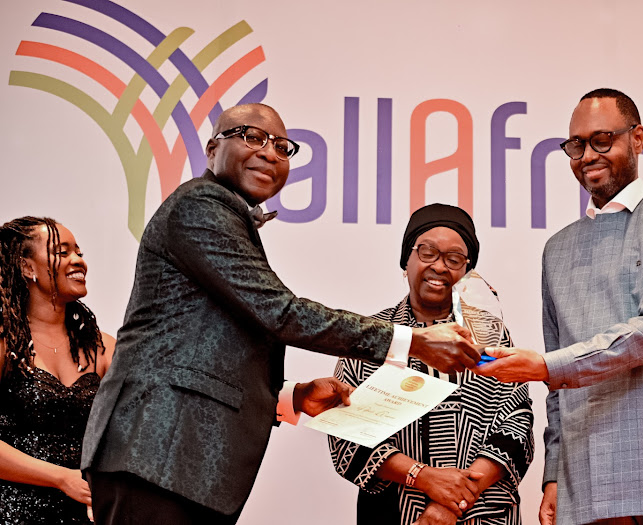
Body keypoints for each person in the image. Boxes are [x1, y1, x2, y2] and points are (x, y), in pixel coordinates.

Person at [81, 103, 482, 524]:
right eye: (252, 137)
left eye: (282, 147)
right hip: (159, 454)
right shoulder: (200, 205)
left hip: (179, 464)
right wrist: (411, 340)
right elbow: (280, 312)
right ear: (212, 148)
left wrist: (294, 397)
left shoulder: (226, 217)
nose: (271, 153)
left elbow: (214, 347)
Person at [475, 89, 643, 524]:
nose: (587, 155)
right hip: (588, 483)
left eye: (601, 139)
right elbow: (556, 387)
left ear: (638, 138)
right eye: (576, 145)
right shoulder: (556, 250)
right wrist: (553, 474)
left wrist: (544, 366)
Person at [330, 203, 534, 525]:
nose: (440, 267)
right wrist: (424, 478)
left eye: (454, 259)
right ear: (406, 260)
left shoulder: (491, 334)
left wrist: (453, 501)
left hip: (484, 514)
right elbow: (348, 435)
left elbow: (516, 423)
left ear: (466, 272)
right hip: (393, 513)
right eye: (427, 252)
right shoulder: (371, 337)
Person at [0, 216, 115, 524]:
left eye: (78, 251)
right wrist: (62, 479)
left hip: (85, 514)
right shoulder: (3, 345)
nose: (78, 260)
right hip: (13, 514)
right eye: (62, 252)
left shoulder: (104, 349)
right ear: (27, 268)